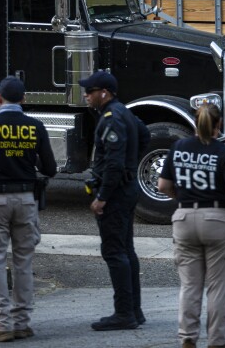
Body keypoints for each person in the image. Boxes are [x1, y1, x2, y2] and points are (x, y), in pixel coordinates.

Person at [0, 77, 57, 342]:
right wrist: (29, 156)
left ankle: (2, 326)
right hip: (27, 199)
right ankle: (21, 323)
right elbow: (50, 169)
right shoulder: (35, 126)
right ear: (24, 100)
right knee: (23, 263)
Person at [158, 102, 225, 348]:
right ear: (218, 124)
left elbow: (163, 186)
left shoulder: (178, 148)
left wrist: (185, 199)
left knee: (190, 284)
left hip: (184, 219)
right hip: (218, 220)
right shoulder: (223, 152)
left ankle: (188, 336)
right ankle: (216, 341)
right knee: (218, 286)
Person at [79, 70, 151, 331]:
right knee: (126, 250)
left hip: (116, 194)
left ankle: (124, 313)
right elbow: (144, 136)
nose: (86, 96)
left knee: (114, 251)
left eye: (90, 91)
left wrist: (102, 197)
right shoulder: (124, 112)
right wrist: (132, 165)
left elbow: (113, 163)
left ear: (104, 93)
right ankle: (134, 310)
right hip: (127, 188)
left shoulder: (111, 117)